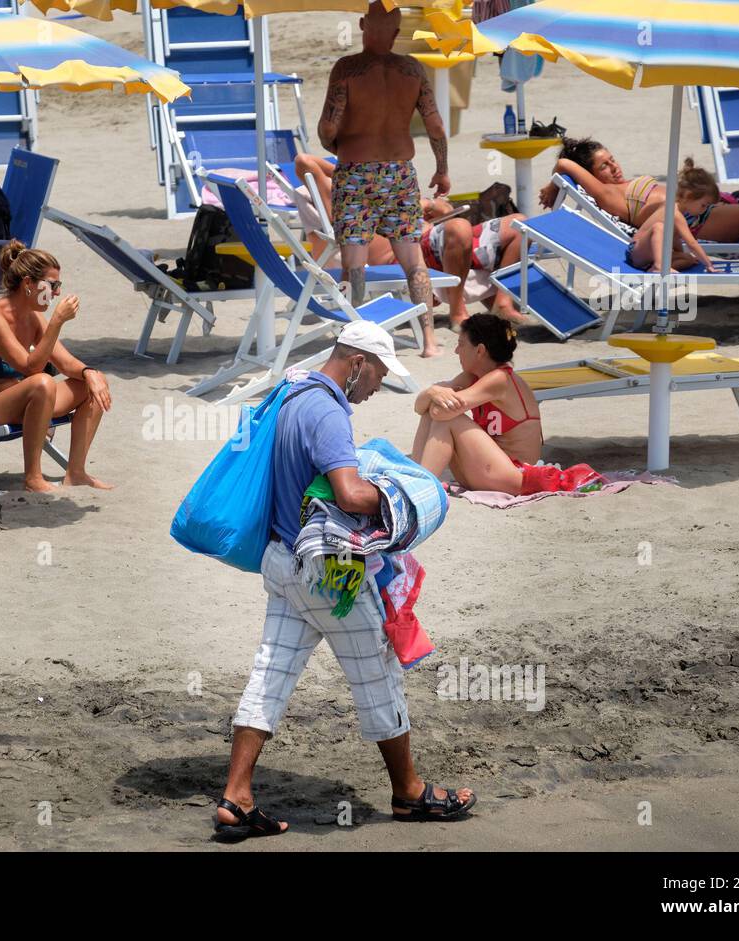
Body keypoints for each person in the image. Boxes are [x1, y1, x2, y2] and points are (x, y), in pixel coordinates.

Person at [214, 320, 477, 843]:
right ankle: (409, 793)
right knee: (377, 674)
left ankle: (237, 795)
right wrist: (403, 496)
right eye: (378, 373)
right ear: (357, 362)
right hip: (329, 575)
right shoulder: (329, 411)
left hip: (283, 559)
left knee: (271, 672)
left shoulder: (292, 395)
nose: (378, 385)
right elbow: (350, 494)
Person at [317, 2, 450, 357]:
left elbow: (327, 128)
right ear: (396, 33)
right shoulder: (412, 69)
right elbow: (435, 126)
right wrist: (442, 169)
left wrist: (343, 143)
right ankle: (430, 341)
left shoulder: (347, 69)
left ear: (362, 25)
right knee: (413, 260)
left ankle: (354, 338)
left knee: (355, 264)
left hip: (357, 171)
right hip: (400, 173)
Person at [0, 240, 113, 493]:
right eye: (52, 285)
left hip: (14, 402)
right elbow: (29, 367)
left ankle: (76, 472)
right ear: (28, 284)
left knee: (92, 382)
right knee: (42, 383)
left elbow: (66, 363)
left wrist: (90, 373)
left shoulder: (32, 317)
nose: (56, 293)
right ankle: (33, 478)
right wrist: (56, 322)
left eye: (59, 286)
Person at [294, 153, 528, 326]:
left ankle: (503, 302)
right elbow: (303, 160)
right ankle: (458, 313)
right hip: (412, 254)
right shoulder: (337, 201)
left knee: (521, 223)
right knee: (459, 228)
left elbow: (445, 209)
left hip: (435, 237)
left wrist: (430, 204)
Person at [538, 137, 739, 244]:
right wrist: (553, 184)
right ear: (590, 175)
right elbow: (563, 163)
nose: (614, 167)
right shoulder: (607, 196)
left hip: (715, 199)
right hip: (699, 218)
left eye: (612, 160)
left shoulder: (619, 186)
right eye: (604, 166)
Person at [412, 313, 542, 494]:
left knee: (449, 419)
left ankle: (420, 488)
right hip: (486, 470)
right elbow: (420, 407)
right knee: (431, 410)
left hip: (515, 476)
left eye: (461, 344)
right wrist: (432, 392)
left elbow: (441, 414)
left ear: (480, 350)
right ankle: (415, 477)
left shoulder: (500, 379)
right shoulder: (472, 376)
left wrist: (435, 393)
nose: (456, 351)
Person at [624, 162, 717, 273]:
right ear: (689, 196)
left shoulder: (678, 213)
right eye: (703, 205)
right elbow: (691, 243)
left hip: (650, 255)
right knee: (658, 227)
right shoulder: (674, 212)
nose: (704, 210)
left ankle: (653, 268)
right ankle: (659, 266)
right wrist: (708, 264)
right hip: (637, 251)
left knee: (689, 259)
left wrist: (681, 255)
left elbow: (675, 238)